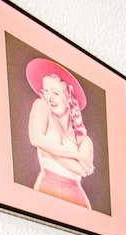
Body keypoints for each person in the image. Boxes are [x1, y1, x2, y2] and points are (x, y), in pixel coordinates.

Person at [26, 58, 94, 209]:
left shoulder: (84, 140)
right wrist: (76, 155)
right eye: (46, 92)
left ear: (69, 97)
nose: (49, 97)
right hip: (46, 186)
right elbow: (36, 138)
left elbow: (83, 169)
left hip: (77, 196)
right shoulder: (42, 106)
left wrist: (49, 149)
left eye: (55, 93)